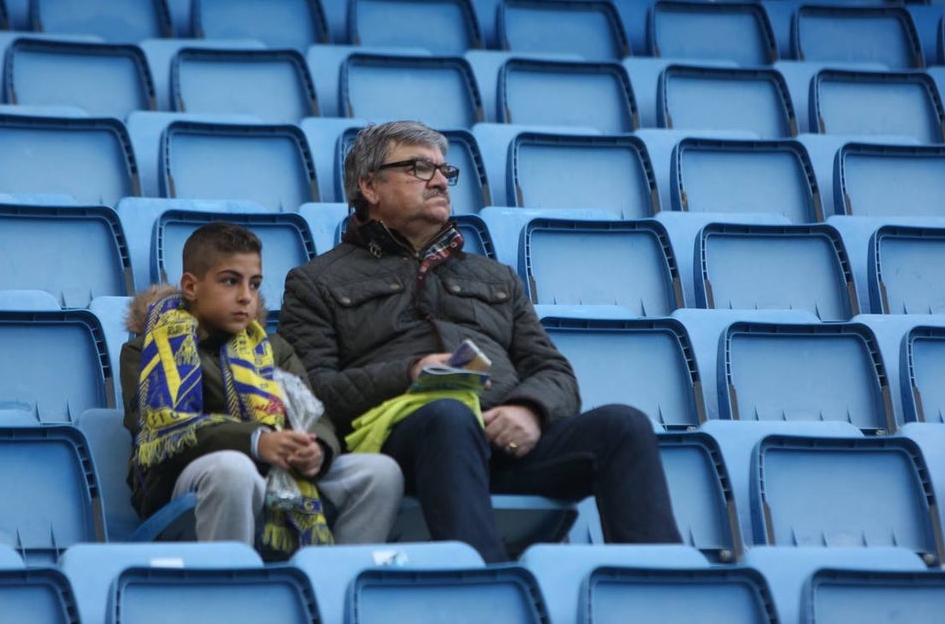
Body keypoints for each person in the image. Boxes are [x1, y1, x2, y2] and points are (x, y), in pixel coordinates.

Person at [278, 120, 682, 562]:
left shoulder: (494, 277)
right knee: (447, 416)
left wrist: (529, 410)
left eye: (443, 172)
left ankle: (660, 589)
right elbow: (309, 391)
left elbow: (554, 371)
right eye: (417, 168)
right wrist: (408, 373)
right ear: (370, 187)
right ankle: (490, 592)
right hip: (405, 448)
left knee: (623, 426)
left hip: (501, 444)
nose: (438, 180)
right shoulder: (314, 282)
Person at [120, 221, 403, 555]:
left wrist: (317, 450)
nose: (245, 296)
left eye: (254, 285)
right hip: (178, 476)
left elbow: (311, 412)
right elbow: (161, 428)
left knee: (380, 473)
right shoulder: (147, 349)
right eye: (230, 281)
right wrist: (255, 441)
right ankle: (230, 589)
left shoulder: (273, 347)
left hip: (277, 465)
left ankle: (334, 581)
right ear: (190, 286)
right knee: (234, 469)